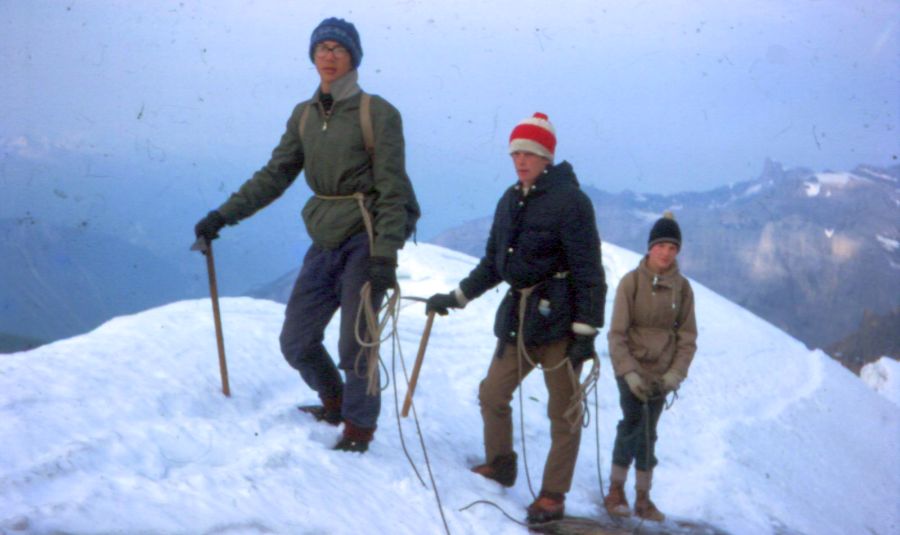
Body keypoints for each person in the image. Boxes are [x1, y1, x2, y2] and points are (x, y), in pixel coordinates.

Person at [194, 17, 419, 453]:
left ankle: (358, 427)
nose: (329, 56)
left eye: (338, 48)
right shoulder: (304, 115)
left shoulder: (378, 113)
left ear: (353, 56)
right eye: (322, 48)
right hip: (324, 235)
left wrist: (385, 254)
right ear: (313, 57)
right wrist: (222, 216)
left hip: (366, 236)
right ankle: (334, 399)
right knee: (296, 339)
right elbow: (275, 175)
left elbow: (392, 186)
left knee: (356, 340)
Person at [426, 113, 606, 524]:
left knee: (563, 412)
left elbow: (589, 271)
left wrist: (585, 331)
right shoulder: (509, 199)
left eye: (530, 153)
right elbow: (493, 262)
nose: (521, 160)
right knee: (493, 393)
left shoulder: (573, 202)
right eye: (516, 153)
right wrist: (456, 297)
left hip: (560, 323)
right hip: (519, 320)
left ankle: (552, 496)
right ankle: (501, 464)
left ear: (547, 157)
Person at [603, 212, 697, 521]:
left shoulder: (682, 289)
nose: (666, 253)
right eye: (661, 246)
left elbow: (687, 337)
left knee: (648, 431)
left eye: (672, 247)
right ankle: (617, 490)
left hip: (662, 373)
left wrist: (675, 374)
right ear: (649, 247)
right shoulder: (631, 283)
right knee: (633, 424)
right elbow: (617, 333)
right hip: (631, 367)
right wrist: (628, 372)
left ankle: (643, 496)